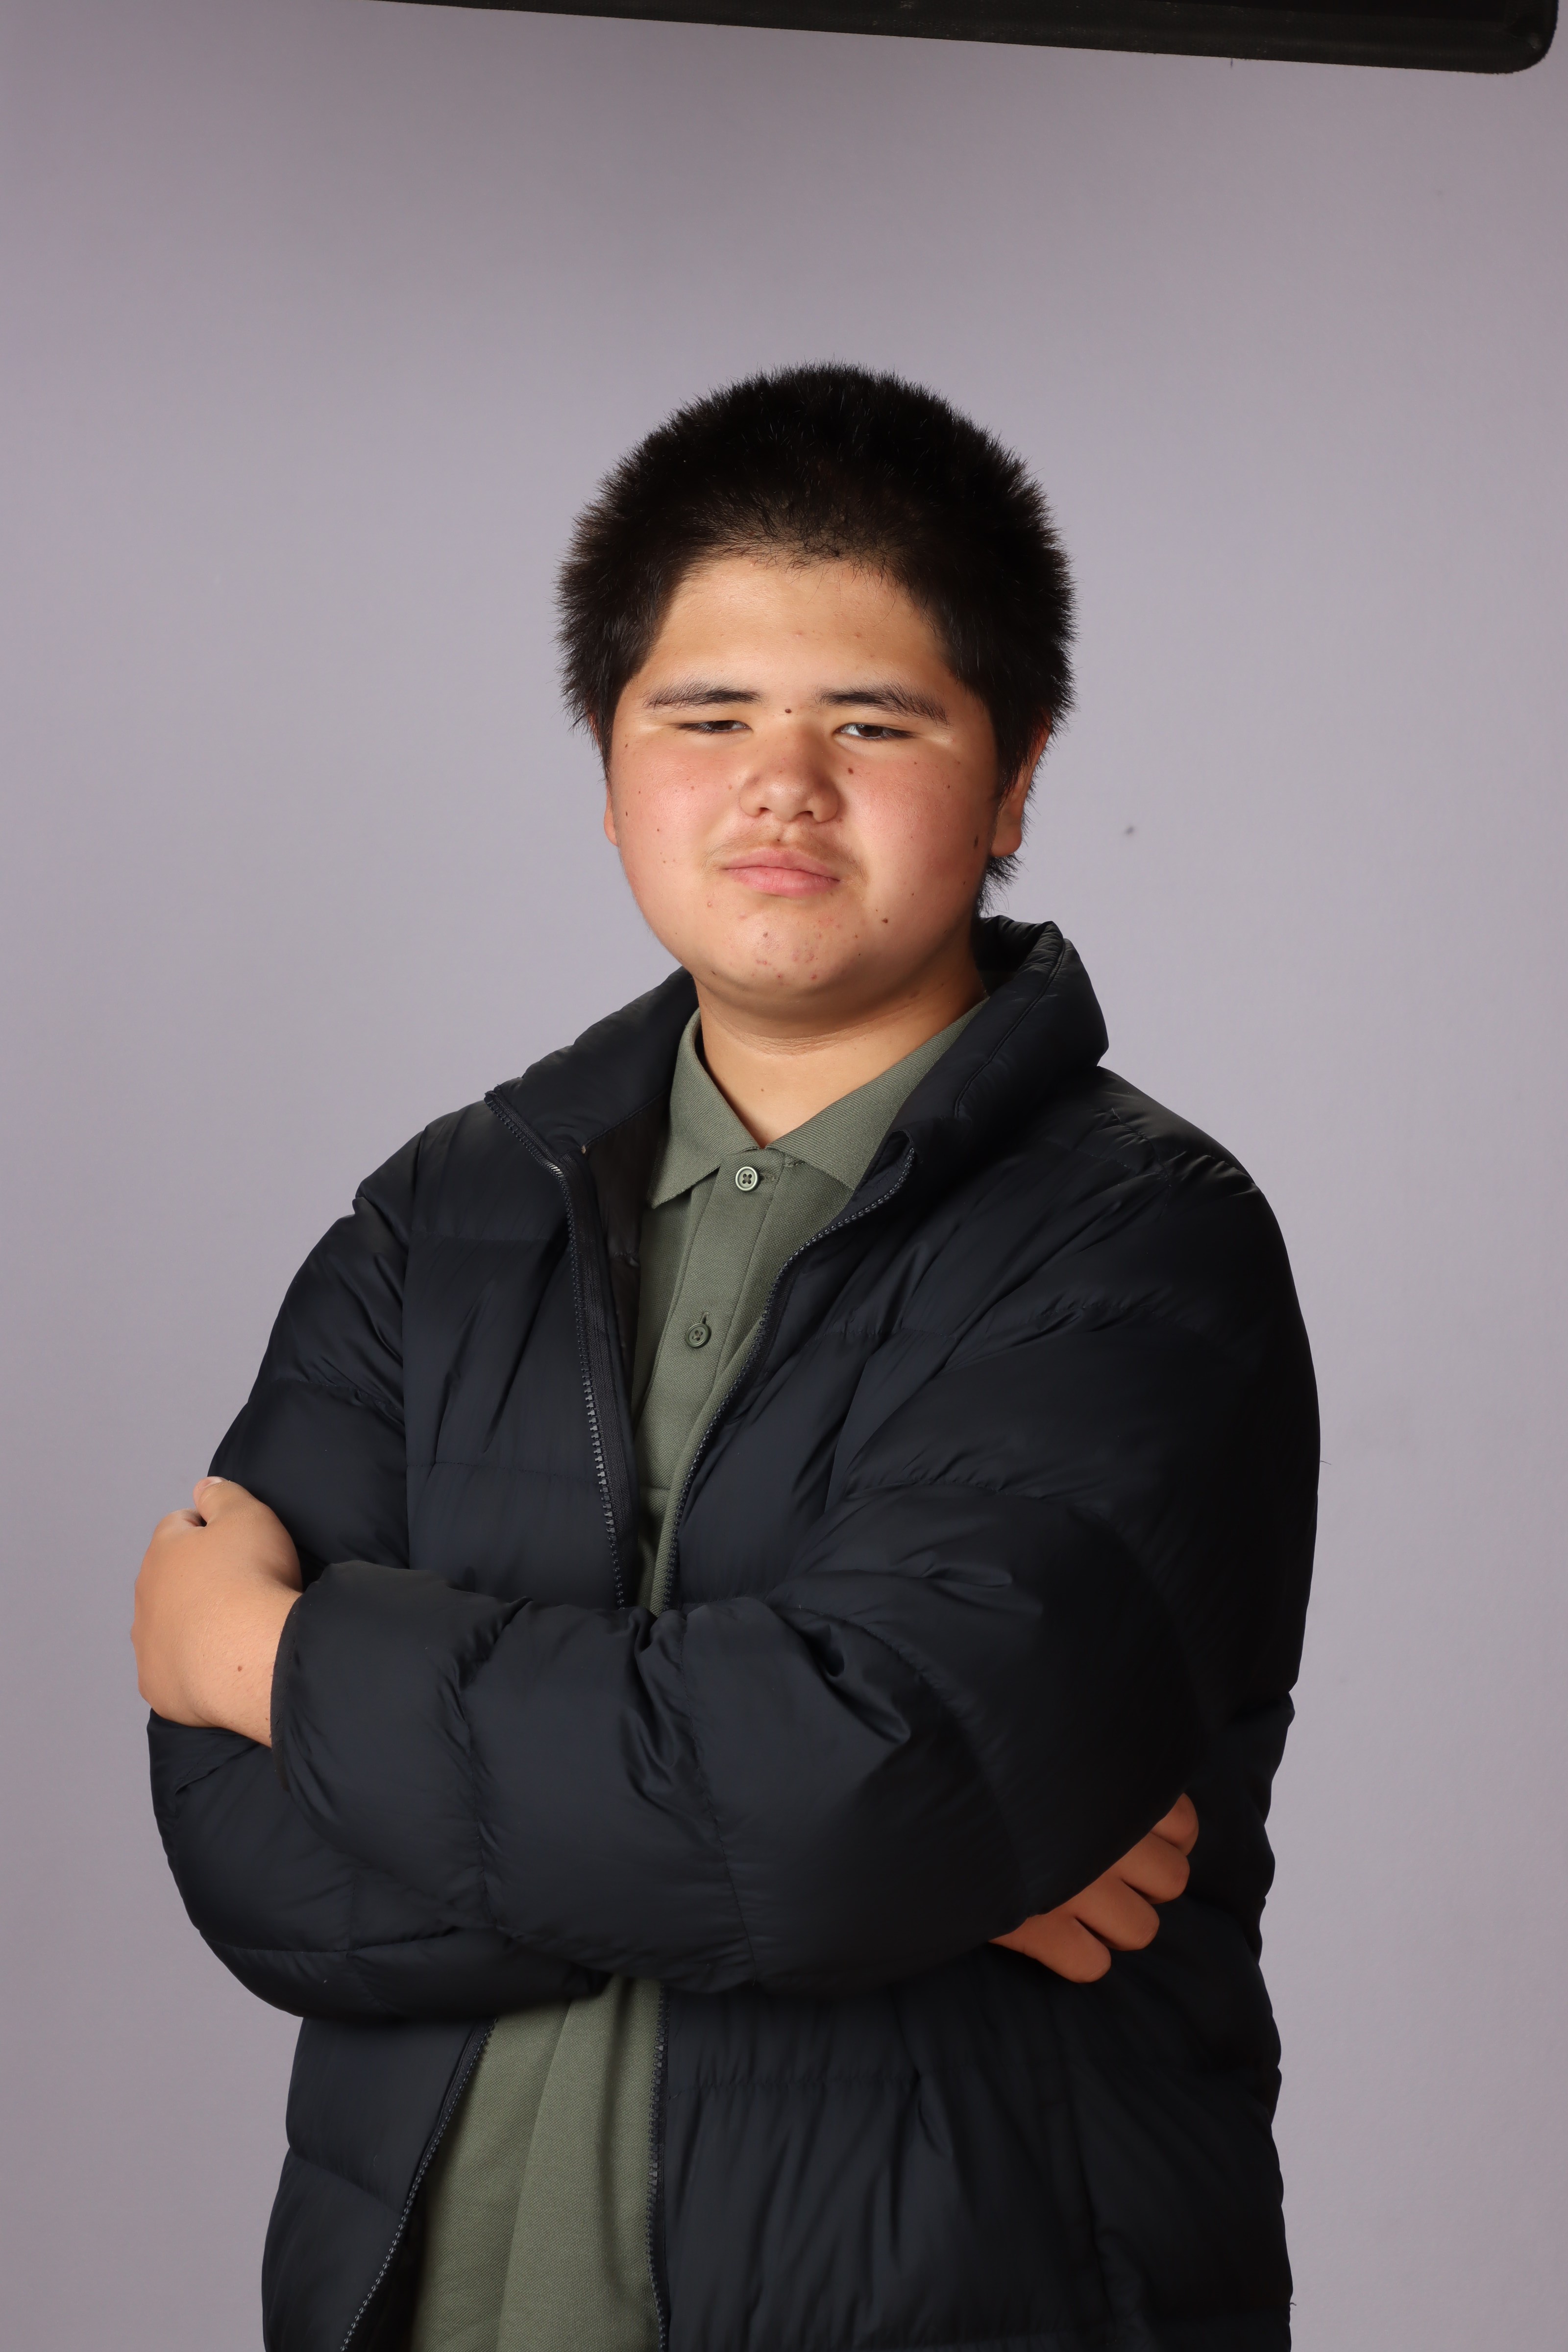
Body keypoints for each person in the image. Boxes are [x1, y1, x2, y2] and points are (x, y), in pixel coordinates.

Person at [134, 364, 1317, 2352]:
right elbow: (245, 1851)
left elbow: (854, 1807)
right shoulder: (442, 1217)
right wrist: (873, 1879)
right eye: (704, 719)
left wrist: (262, 1660)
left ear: (1015, 777)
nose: (782, 785)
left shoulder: (1140, 1240)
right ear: (610, 769)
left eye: (873, 721)